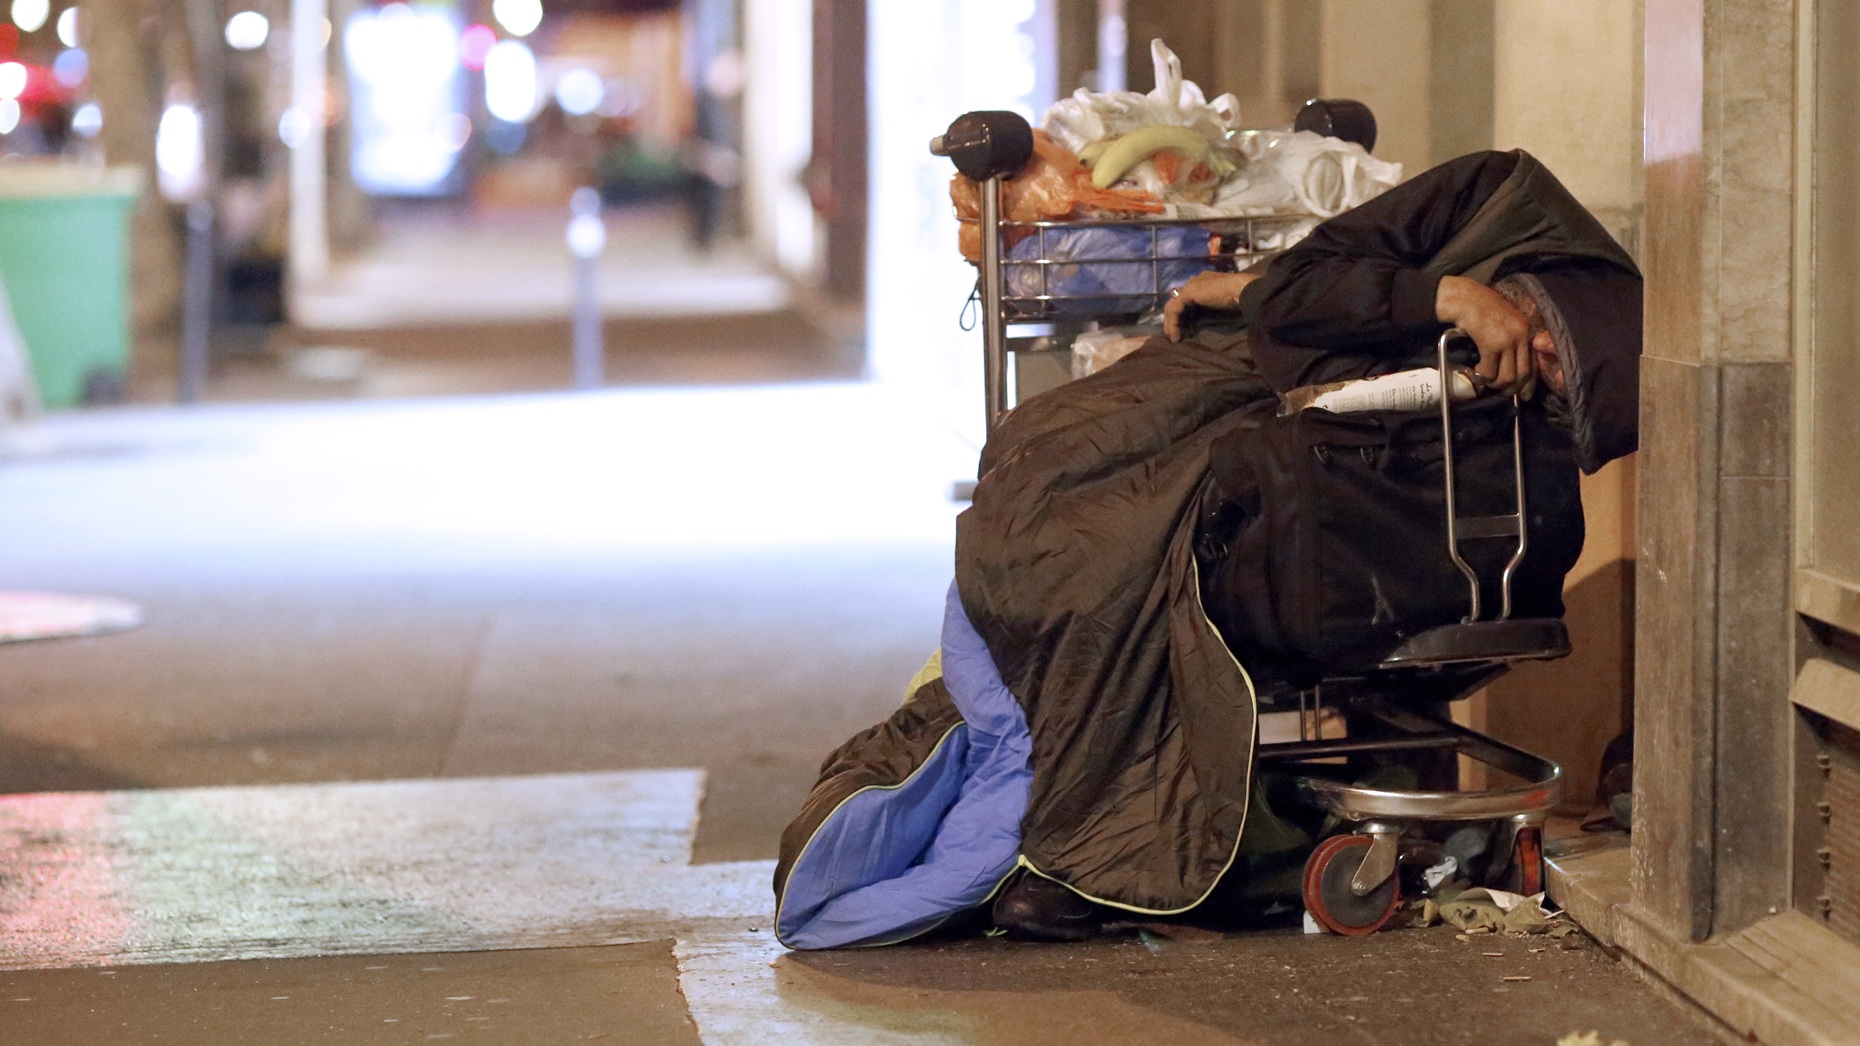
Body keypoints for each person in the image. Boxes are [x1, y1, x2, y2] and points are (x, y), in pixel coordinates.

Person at [773, 149, 1642, 949]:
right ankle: (1027, 817)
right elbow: (1317, 279)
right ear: (1540, 289)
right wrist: (1445, 297)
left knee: (1118, 539)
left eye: (1554, 377)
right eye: (1539, 340)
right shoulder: (1495, 201)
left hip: (1328, 473)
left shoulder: (1524, 410)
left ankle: (1079, 848)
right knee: (1045, 464)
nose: (1526, 363)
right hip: (1240, 378)